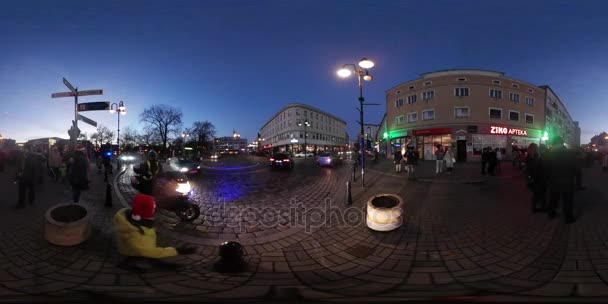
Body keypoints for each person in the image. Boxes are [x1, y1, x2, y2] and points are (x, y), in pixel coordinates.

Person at [113, 194, 196, 272]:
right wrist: (177, 251)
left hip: (134, 245)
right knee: (148, 263)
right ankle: (130, 263)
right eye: (152, 209)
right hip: (135, 251)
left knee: (150, 256)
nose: (154, 210)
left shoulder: (128, 216)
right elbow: (154, 252)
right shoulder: (139, 235)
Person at [545, 136, 577, 224]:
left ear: (554, 143)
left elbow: (546, 168)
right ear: (562, 143)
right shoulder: (570, 153)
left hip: (554, 181)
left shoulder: (550, 153)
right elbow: (576, 168)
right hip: (568, 181)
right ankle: (568, 218)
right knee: (567, 201)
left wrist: (548, 179)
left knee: (553, 199)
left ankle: (551, 214)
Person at [526, 143, 547, 212]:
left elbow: (528, 168)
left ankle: (534, 208)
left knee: (535, 193)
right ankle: (542, 208)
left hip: (532, 177)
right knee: (542, 193)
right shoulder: (537, 156)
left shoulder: (528, 156)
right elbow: (539, 167)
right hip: (539, 177)